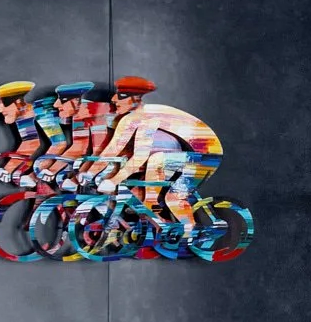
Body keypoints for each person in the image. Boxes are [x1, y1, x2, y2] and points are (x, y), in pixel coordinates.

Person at [94, 77, 224, 236]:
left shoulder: (148, 116)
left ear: (136, 100)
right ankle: (161, 222)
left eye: (121, 96)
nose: (114, 99)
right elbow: (111, 150)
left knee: (171, 196)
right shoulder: (129, 119)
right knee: (145, 197)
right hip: (187, 154)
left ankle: (191, 230)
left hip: (207, 154)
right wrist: (86, 173)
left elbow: (140, 156)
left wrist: (113, 181)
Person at [0, 81, 39, 183]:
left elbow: (33, 143)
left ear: (18, 102)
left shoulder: (34, 112)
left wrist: (8, 170)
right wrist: (8, 170)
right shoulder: (24, 113)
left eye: (3, 103)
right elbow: (30, 143)